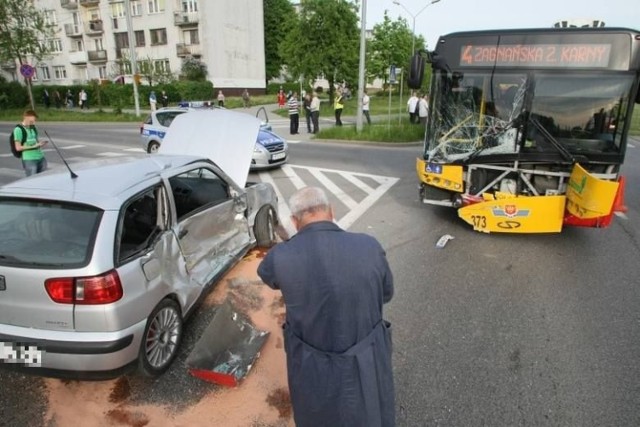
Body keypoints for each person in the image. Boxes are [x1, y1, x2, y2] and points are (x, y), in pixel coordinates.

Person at [257, 187, 395, 427]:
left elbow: (268, 276)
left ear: (294, 221)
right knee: (371, 410)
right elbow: (386, 294)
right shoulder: (369, 245)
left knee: (317, 414)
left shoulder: (281, 256)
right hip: (366, 359)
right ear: (332, 211)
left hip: (312, 361)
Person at [13, 110, 48, 177]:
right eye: (31, 121)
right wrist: (35, 146)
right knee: (32, 181)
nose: (34, 123)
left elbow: (35, 142)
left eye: (35, 121)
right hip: (30, 160)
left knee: (43, 180)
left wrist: (40, 144)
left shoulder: (33, 128)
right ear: (26, 118)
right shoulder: (18, 129)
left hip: (41, 158)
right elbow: (18, 148)